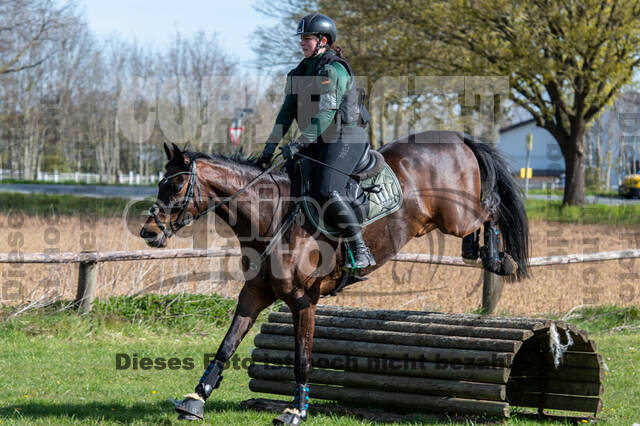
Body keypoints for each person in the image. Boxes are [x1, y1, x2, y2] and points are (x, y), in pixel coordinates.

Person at [257, 13, 376, 270]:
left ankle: (360, 249)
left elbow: (327, 113)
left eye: (307, 38)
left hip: (345, 137)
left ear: (323, 40)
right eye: (301, 38)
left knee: (325, 191)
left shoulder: (334, 69)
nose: (301, 43)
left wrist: (299, 142)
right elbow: (286, 113)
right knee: (287, 185)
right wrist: (269, 146)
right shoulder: (297, 72)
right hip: (317, 140)